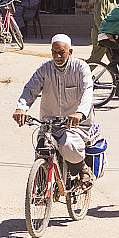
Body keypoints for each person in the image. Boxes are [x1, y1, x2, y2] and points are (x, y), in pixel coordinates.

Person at [12, 34, 97, 188]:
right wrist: (21, 108)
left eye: (61, 53)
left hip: (75, 125)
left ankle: (83, 168)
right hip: (49, 123)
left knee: (68, 144)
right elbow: (30, 89)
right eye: (54, 52)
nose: (57, 56)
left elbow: (87, 92)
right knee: (42, 148)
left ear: (70, 52)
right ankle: (40, 190)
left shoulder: (81, 68)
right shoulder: (44, 69)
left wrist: (80, 113)